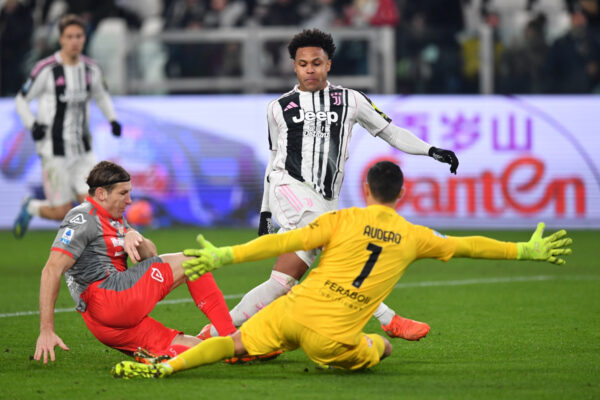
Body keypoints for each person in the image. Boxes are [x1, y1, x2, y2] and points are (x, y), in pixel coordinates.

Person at [110, 161, 572, 378]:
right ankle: (371, 336)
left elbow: (282, 241)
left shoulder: (342, 219)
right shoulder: (415, 235)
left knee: (233, 342)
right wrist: (523, 250)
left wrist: (225, 256)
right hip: (330, 338)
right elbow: (468, 246)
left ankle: (169, 368)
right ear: (401, 195)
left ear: (366, 189)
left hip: (291, 311)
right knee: (383, 347)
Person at [199, 28, 460, 341]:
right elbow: (273, 159)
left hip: (324, 200)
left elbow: (391, 132)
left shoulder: (350, 100)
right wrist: (266, 211)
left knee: (281, 282)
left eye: (316, 63)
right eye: (303, 64)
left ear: (328, 65)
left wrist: (431, 150)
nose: (310, 70)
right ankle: (388, 318)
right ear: (294, 67)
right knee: (338, 244)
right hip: (288, 187)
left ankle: (214, 332)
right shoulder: (279, 107)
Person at [34, 161, 236, 364]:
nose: (130, 200)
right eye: (123, 193)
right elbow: (51, 270)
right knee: (194, 262)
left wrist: (133, 234)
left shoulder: (115, 218)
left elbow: (151, 255)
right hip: (111, 297)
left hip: (105, 325)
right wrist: (46, 330)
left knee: (198, 348)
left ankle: (167, 357)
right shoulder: (81, 218)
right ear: (102, 193)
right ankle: (231, 336)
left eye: (130, 193)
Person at [13, 14, 122, 239]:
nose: (74, 41)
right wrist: (32, 124)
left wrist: (112, 119)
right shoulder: (46, 69)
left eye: (79, 36)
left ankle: (95, 254)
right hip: (54, 151)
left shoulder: (91, 69)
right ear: (61, 39)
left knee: (97, 205)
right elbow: (21, 100)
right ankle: (31, 207)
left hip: (83, 150)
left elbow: (102, 96)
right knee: (61, 211)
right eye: (69, 36)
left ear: (84, 38)